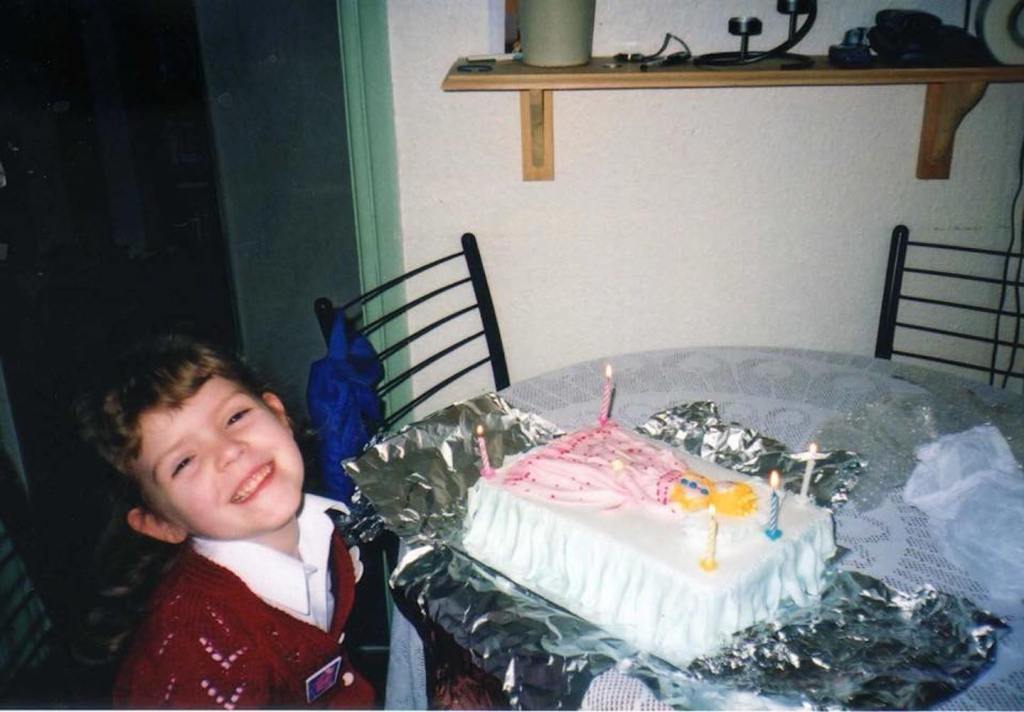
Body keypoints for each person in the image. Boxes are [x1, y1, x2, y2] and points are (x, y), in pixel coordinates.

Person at [73, 333, 376, 708]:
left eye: (235, 417)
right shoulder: (196, 658)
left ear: (278, 415)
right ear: (160, 523)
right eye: (184, 462)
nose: (230, 451)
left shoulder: (323, 530)